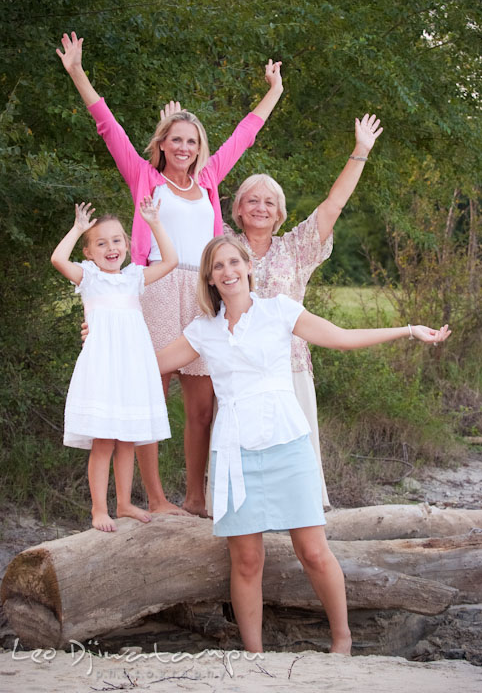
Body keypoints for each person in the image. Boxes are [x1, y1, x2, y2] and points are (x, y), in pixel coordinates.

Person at [155, 235, 451, 653]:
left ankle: (342, 641)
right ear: (209, 277)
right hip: (233, 453)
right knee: (246, 561)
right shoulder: (203, 331)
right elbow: (153, 363)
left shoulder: (279, 311)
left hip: (285, 444)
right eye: (218, 266)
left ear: (249, 267)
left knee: (312, 551)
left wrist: (407, 330)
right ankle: (254, 655)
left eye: (235, 262)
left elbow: (343, 337)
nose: (228, 271)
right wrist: (105, 328)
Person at [57, 32, 283, 517]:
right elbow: (107, 126)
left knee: (201, 405)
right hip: (156, 288)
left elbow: (245, 133)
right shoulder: (144, 176)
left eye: (192, 141)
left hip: (203, 293)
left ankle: (196, 497)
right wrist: (77, 71)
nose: (184, 147)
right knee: (148, 397)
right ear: (162, 144)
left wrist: (274, 91)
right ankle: (155, 499)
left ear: (200, 148)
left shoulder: (210, 179)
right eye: (176, 139)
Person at [222, 113, 383, 508]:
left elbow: (334, 203)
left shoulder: (296, 248)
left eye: (270, 202)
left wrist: (360, 151)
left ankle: (304, 512)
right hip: (238, 367)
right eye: (252, 200)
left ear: (280, 214)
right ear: (238, 209)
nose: (261, 207)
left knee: (295, 449)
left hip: (288, 363)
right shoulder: (222, 247)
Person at [51, 197, 178, 532]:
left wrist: (154, 222)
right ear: (89, 252)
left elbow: (171, 261)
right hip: (104, 369)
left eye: (117, 240)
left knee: (129, 438)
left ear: (127, 244)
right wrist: (78, 228)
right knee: (104, 440)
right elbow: (57, 258)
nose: (111, 247)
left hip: (133, 368)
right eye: (101, 243)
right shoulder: (89, 277)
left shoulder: (134, 277)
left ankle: (123, 503)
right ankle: (98, 509)